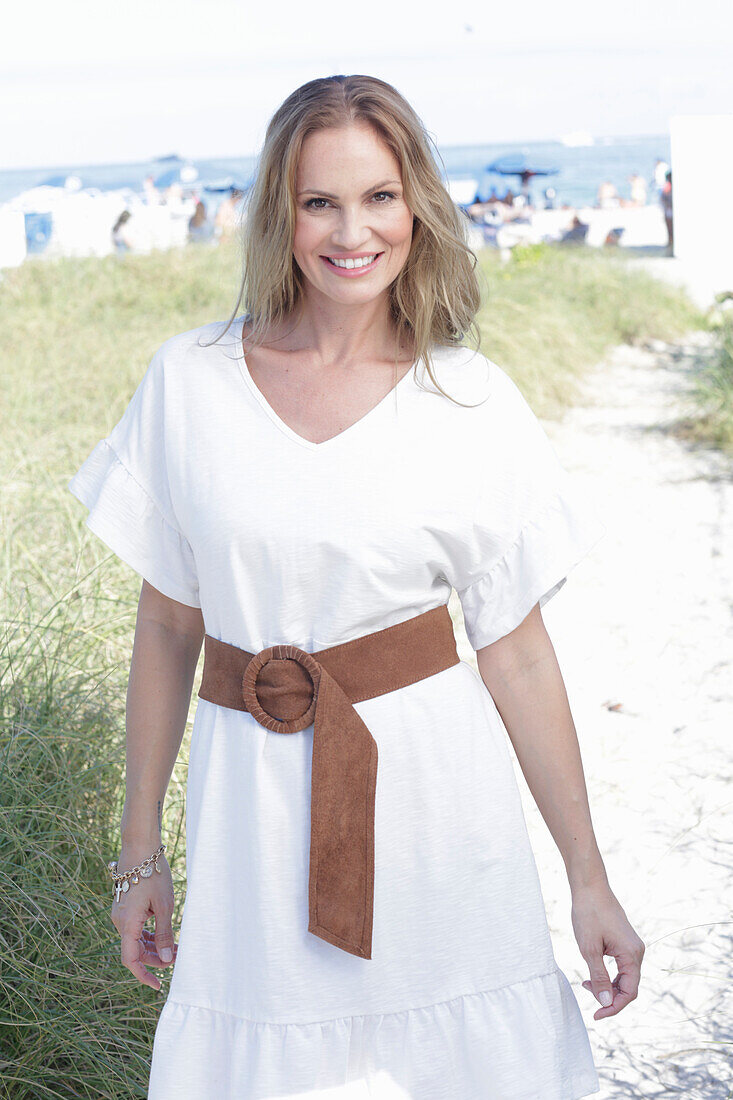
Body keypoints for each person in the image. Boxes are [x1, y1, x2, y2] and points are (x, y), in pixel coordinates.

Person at [67, 74, 644, 1098]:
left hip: (435, 806)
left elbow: (512, 649)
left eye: (379, 196)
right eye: (319, 201)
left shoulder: (468, 398)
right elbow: (165, 627)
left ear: (416, 204)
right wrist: (138, 852)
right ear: (278, 212)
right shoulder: (188, 382)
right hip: (249, 809)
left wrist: (587, 879)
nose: (352, 231)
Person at [661, 170, 673, 253]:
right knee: (670, 228)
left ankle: (670, 242)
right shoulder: (668, 186)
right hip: (669, 210)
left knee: (670, 228)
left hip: (668, 210)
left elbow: (662, 198)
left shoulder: (667, 186)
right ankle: (670, 242)